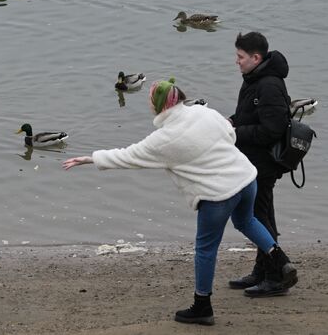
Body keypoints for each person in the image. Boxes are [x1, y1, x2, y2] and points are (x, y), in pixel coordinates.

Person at [62, 78, 297, 325]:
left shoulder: (164, 139)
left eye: (150, 99)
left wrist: (90, 159)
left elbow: (128, 156)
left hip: (216, 195)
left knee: (206, 249)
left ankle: (202, 306)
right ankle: (280, 259)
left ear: (159, 105)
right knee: (246, 220)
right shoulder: (203, 112)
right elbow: (230, 133)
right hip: (246, 179)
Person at [228, 32, 295, 297]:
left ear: (256, 57)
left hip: (264, 162)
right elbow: (249, 114)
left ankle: (275, 276)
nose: (237, 61)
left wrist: (235, 133)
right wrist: (231, 121)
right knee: (263, 213)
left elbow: (272, 130)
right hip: (252, 160)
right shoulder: (254, 79)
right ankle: (262, 271)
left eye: (240, 57)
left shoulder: (268, 84)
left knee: (257, 215)